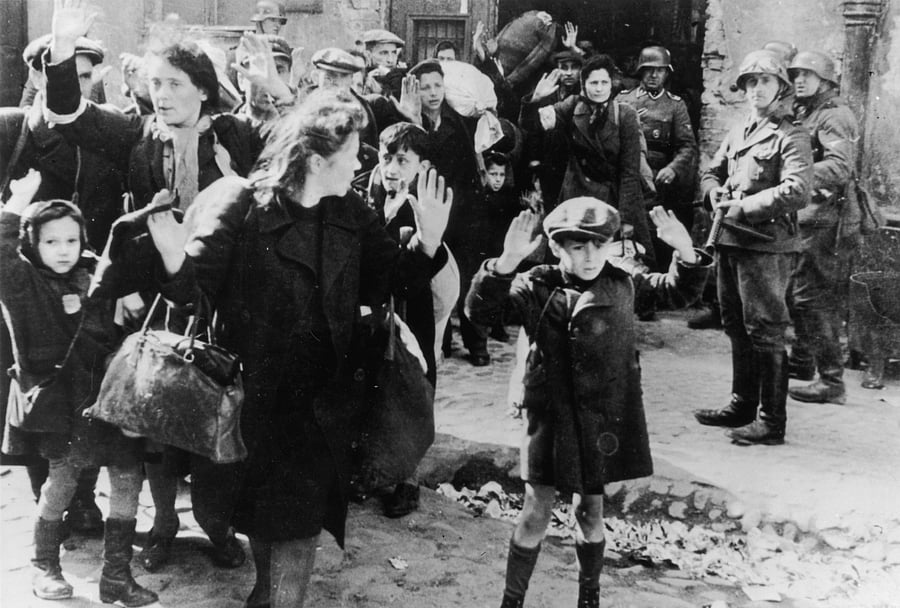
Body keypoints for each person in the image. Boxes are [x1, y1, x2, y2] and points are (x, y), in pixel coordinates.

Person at [142, 89, 453, 608]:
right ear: (316, 159)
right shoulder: (244, 205)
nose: (360, 163)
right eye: (351, 153)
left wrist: (427, 242)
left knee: (299, 526)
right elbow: (195, 293)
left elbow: (387, 282)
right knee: (266, 519)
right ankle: (265, 595)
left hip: (323, 403)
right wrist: (175, 261)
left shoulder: (351, 210)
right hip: (252, 401)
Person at [43, 4, 292, 572]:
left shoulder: (235, 134)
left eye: (175, 84)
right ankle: (163, 524)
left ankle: (218, 524)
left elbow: (297, 143)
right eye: (155, 83)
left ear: (203, 89)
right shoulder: (137, 135)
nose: (161, 94)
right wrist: (61, 50)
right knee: (156, 418)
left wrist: (274, 87)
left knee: (222, 409)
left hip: (226, 300)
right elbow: (70, 115)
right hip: (159, 300)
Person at [465, 198, 711, 608]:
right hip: (550, 418)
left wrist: (685, 252)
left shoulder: (624, 282)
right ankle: (512, 602)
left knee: (590, 512)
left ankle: (588, 598)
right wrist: (505, 263)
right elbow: (480, 311)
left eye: (600, 245)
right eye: (578, 247)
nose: (591, 256)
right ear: (557, 247)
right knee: (536, 510)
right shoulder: (536, 285)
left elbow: (677, 291)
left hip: (600, 420)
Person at [0, 170, 156, 606]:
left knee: (127, 477)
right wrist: (17, 204)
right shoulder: (24, 283)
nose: (63, 250)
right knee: (63, 480)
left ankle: (117, 576)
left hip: (108, 398)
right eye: (51, 241)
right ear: (33, 243)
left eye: (71, 240)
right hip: (61, 402)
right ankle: (44, 565)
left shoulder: (94, 276)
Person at [692, 49, 812, 446]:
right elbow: (711, 171)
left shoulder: (790, 134)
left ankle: (771, 421)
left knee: (765, 330)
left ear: (780, 87)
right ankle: (742, 404)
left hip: (766, 247)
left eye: (765, 81)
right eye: (750, 82)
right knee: (735, 324)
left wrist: (744, 206)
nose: (756, 89)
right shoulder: (740, 129)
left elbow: (798, 190)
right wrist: (713, 192)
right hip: (730, 241)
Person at [365, 121, 459, 517]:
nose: (391, 168)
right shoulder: (369, 198)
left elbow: (442, 276)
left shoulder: (424, 206)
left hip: (414, 310)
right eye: (386, 157)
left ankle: (409, 479)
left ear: (421, 166)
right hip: (378, 312)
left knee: (414, 388)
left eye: (403, 160)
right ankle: (373, 470)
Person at [520, 54, 654, 265]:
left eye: (604, 82)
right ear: (584, 84)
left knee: (617, 262)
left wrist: (626, 219)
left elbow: (630, 171)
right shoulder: (572, 106)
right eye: (593, 83)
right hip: (577, 197)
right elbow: (532, 126)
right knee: (574, 260)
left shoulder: (625, 114)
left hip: (614, 199)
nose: (599, 89)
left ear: (611, 84)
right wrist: (534, 101)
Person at [785, 50, 859, 404]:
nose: (799, 80)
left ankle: (832, 381)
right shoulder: (808, 111)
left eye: (808, 75)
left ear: (826, 80)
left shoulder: (834, 116)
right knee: (799, 293)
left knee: (812, 298)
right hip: (809, 217)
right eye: (796, 74)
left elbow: (840, 166)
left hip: (826, 220)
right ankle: (802, 362)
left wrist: (794, 174)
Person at [406, 59, 488, 365]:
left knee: (468, 278)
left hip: (463, 214)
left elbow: (472, 167)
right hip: (429, 214)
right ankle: (441, 341)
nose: (432, 93)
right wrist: (413, 120)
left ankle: (476, 342)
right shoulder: (412, 122)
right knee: (434, 279)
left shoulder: (459, 121)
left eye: (437, 86)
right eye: (425, 87)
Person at [619, 45, 698, 270]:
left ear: (667, 74)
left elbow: (687, 145)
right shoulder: (624, 99)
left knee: (655, 236)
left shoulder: (675, 105)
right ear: (640, 71)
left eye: (660, 70)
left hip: (658, 182)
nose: (654, 75)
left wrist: (673, 168)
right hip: (629, 177)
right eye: (649, 70)